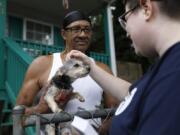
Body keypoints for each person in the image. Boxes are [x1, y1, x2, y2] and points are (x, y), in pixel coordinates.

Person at [67, 0, 180, 134]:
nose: (126, 31)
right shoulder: (167, 67)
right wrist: (90, 66)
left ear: (146, 8)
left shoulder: (174, 74)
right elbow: (135, 94)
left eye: (125, 19)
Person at [16, 10, 119, 134]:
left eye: (87, 30)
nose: (83, 34)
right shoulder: (42, 65)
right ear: (64, 34)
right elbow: (18, 116)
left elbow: (116, 111)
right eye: (76, 29)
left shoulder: (102, 69)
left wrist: (100, 130)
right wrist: (41, 108)